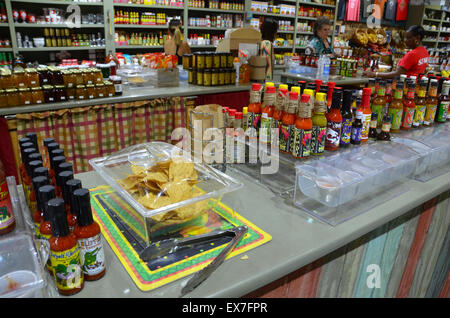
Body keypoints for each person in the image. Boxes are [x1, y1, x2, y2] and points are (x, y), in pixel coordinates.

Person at [363, 25, 429, 79]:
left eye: (408, 38)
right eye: (405, 38)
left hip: (404, 87)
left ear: (417, 38)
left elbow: (397, 74)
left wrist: (375, 74)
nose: (405, 41)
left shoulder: (412, 54)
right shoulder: (424, 51)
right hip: (415, 86)